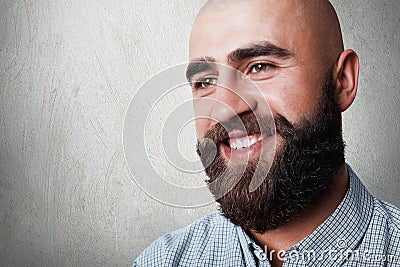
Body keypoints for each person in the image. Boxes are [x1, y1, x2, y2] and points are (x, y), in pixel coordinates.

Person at [134, 0, 400, 266]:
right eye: (206, 82)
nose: (225, 109)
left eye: (260, 66)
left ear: (343, 81)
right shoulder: (162, 260)